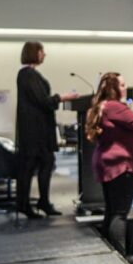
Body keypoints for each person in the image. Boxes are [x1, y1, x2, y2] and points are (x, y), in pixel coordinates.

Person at [87, 72, 133, 264]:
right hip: (121, 165)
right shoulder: (114, 106)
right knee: (119, 214)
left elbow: (127, 123)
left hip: (110, 163)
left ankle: (113, 258)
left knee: (112, 211)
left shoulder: (105, 106)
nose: (125, 87)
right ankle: (123, 262)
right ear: (113, 88)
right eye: (122, 84)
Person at [15, 41, 79, 218]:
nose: (44, 54)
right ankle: (36, 203)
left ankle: (28, 203)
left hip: (35, 131)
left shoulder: (28, 74)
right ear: (34, 53)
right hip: (36, 132)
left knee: (36, 165)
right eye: (42, 51)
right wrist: (62, 97)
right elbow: (43, 101)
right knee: (42, 164)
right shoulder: (28, 74)